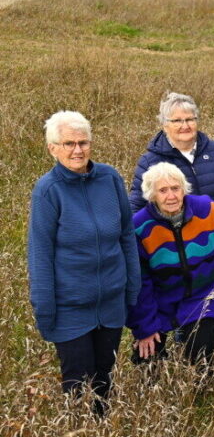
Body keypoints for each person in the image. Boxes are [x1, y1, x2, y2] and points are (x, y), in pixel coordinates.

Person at [28, 111, 140, 415]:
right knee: (77, 386)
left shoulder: (110, 177)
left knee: (105, 379)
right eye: (68, 143)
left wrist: (132, 288)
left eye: (83, 142)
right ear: (52, 148)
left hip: (111, 304)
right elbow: (40, 254)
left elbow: (127, 235)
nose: (77, 150)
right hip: (71, 309)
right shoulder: (48, 191)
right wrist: (45, 309)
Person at [129, 163, 214, 365]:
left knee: (201, 358)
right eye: (162, 190)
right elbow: (138, 281)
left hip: (201, 296)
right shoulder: (139, 226)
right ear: (152, 194)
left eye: (175, 188)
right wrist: (145, 326)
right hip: (160, 299)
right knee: (147, 358)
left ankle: (200, 392)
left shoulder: (207, 210)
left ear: (184, 189)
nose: (171, 196)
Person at [130, 92, 214, 224]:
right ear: (164, 125)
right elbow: (136, 207)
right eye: (177, 121)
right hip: (176, 241)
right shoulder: (149, 162)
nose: (185, 126)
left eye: (190, 119)